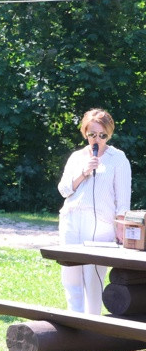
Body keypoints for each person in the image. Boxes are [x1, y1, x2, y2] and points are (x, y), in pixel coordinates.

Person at [57, 109, 131, 314]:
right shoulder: (76, 157)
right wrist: (84, 172)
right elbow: (63, 190)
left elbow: (123, 199)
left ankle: (91, 324)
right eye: (92, 135)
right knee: (71, 276)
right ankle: (74, 322)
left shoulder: (118, 158)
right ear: (85, 133)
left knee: (93, 279)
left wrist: (121, 227)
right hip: (72, 220)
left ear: (109, 134)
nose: (97, 139)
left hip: (101, 224)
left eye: (102, 135)